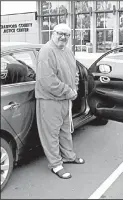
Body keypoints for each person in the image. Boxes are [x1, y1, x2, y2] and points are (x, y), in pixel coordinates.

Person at [35, 23, 85, 179]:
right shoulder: (46, 51)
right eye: (60, 33)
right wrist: (69, 91)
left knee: (65, 130)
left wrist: (75, 88)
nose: (63, 37)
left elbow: (75, 72)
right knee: (51, 134)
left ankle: (69, 156)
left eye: (66, 35)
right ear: (53, 33)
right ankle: (56, 164)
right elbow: (47, 80)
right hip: (50, 99)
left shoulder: (67, 51)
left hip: (65, 99)